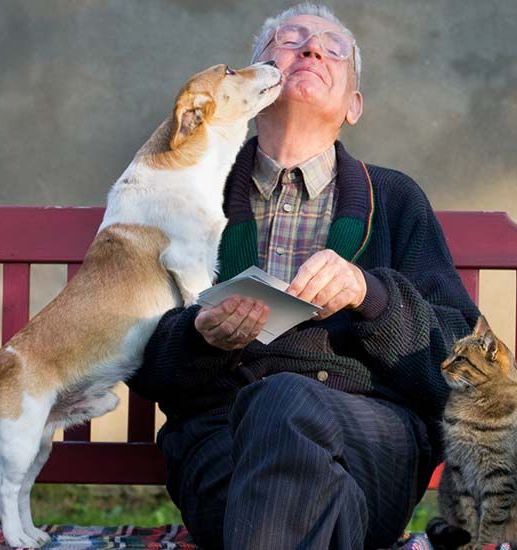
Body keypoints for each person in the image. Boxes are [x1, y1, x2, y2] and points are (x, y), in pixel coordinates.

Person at [128, 4, 480, 549]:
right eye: (290, 40)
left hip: (370, 443)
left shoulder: (396, 200)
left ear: (354, 106)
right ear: (254, 85)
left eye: (333, 48)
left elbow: (461, 369)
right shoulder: (187, 200)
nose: (311, 49)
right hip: (223, 443)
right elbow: (136, 357)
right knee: (309, 497)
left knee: (283, 404)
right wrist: (199, 336)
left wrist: (373, 296)